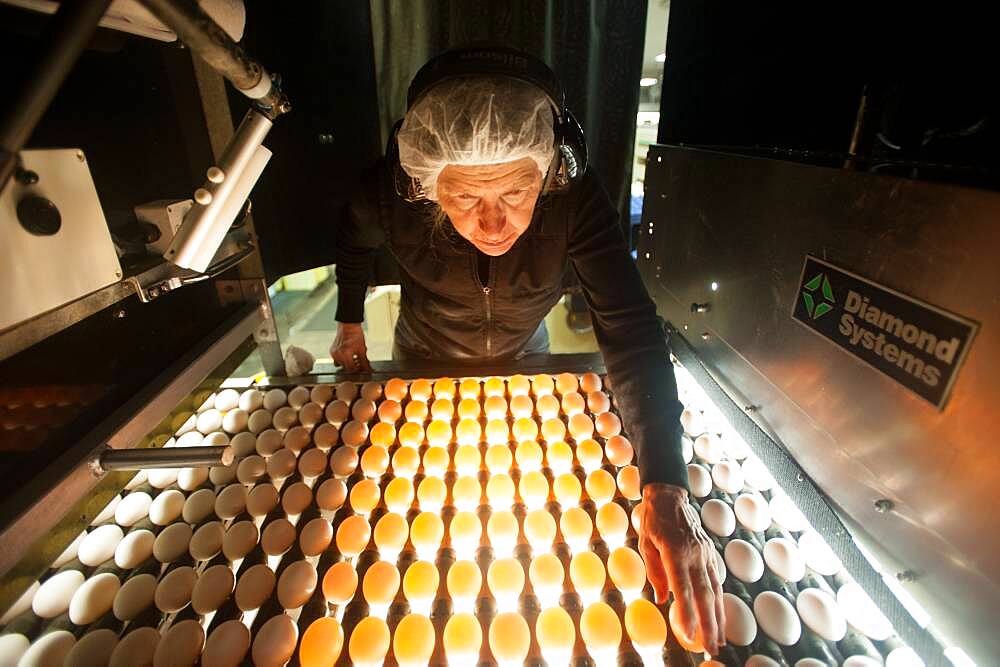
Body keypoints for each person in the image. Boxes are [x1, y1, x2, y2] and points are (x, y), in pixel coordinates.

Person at [332, 47, 725, 654]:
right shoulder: (387, 195)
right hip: (425, 353)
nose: (493, 224)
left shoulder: (574, 198)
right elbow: (353, 244)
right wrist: (349, 319)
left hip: (525, 348)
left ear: (550, 172)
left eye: (517, 192)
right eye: (464, 199)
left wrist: (665, 487)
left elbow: (630, 327)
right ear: (425, 186)